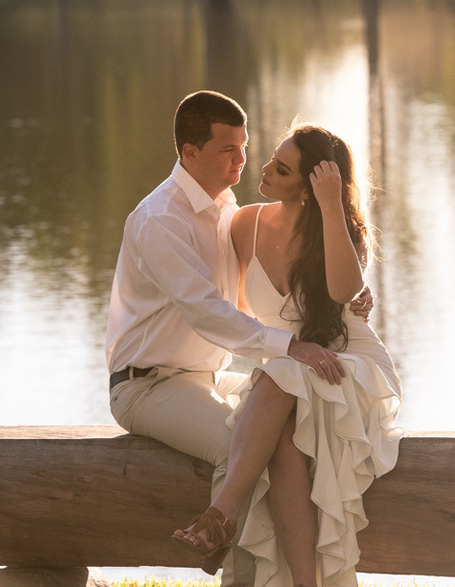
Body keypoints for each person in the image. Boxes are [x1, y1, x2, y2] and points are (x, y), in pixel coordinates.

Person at [105, 91, 366, 586]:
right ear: (190, 152)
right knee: (243, 447)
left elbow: (265, 291)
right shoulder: (161, 219)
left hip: (204, 377)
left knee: (280, 431)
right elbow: (207, 312)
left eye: (244, 146)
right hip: (147, 385)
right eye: (228, 150)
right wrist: (292, 347)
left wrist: (352, 297)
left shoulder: (225, 209)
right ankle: (233, 563)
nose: (242, 160)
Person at [171, 124, 403, 587]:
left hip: (345, 365)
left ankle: (220, 515)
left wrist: (332, 206)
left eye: (281, 169)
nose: (264, 170)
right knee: (280, 431)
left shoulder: (342, 231)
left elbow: (344, 290)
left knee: (278, 375)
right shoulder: (245, 223)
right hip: (290, 368)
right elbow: (229, 306)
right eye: (272, 160)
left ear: (309, 187)